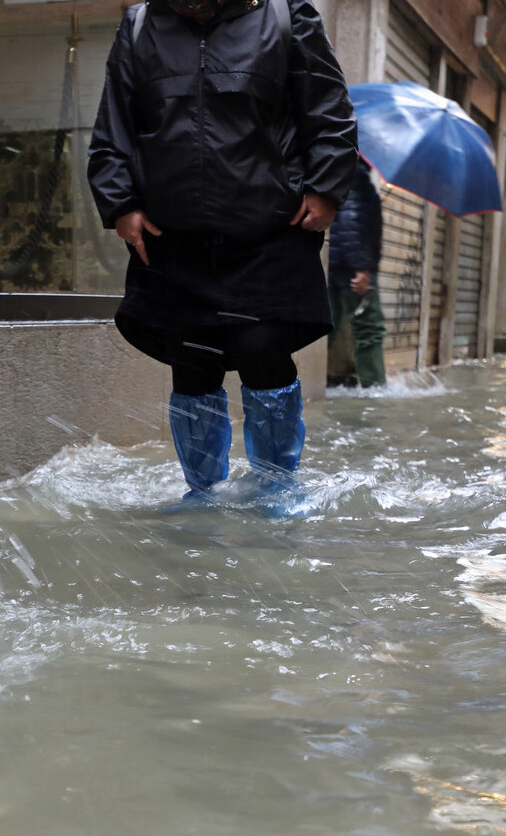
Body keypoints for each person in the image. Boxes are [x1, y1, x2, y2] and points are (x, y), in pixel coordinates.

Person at [87, 0, 357, 507]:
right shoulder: (141, 24)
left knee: (262, 349)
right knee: (192, 361)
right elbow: (114, 124)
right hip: (174, 233)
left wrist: (325, 188)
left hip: (269, 226)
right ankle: (203, 495)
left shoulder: (287, 15)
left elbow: (329, 111)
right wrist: (120, 203)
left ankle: (276, 487)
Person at [327, 159, 387, 388]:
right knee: (370, 328)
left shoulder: (339, 172)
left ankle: (319, 385)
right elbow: (351, 221)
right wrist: (361, 268)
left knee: (327, 328)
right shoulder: (357, 176)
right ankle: (375, 389)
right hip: (352, 269)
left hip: (334, 265)